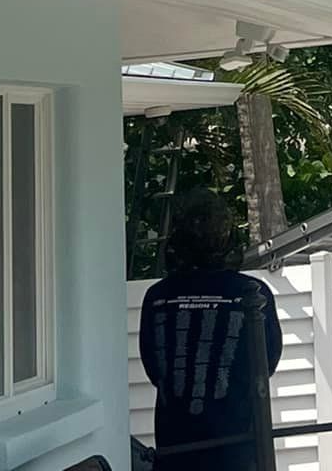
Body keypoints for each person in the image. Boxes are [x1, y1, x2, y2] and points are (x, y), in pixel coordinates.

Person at [139, 187, 283, 471]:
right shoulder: (252, 292)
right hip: (237, 455)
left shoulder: (157, 297)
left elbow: (155, 371)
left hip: (175, 453)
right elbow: (266, 366)